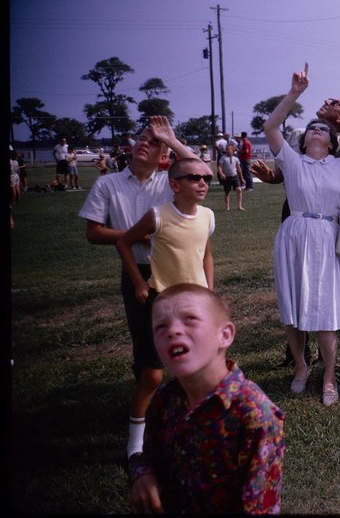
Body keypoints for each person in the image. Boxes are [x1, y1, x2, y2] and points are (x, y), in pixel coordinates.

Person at [78, 116, 196, 462]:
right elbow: (94, 232)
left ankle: (168, 407)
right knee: (148, 353)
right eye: (142, 137)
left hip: (173, 268)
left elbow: (197, 168)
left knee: (178, 345)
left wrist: (171, 140)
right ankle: (142, 428)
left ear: (163, 156)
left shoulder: (168, 182)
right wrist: (134, 236)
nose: (145, 142)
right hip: (136, 270)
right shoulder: (108, 184)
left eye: (153, 141)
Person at [128, 284, 285, 514]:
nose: (172, 331)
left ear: (225, 335)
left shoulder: (255, 415)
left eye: (189, 318)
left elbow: (259, 507)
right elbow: (149, 457)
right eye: (161, 326)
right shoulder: (164, 400)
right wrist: (143, 474)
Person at [263, 62, 340, 406]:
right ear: (305, 139)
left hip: (326, 237)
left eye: (324, 128)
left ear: (333, 138)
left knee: (324, 311)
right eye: (312, 128)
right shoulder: (292, 161)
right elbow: (270, 125)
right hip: (293, 235)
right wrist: (295, 93)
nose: (317, 130)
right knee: (292, 308)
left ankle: (330, 377)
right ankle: (301, 367)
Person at [115, 156, 215, 305]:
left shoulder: (207, 215)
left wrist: (209, 290)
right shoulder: (157, 215)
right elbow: (123, 243)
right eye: (194, 178)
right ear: (175, 186)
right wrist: (139, 283)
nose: (202, 183)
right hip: (165, 297)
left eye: (206, 178)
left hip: (198, 295)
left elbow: (206, 256)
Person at [217, 143, 245, 211]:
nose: (227, 151)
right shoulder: (223, 158)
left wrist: (241, 178)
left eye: (228, 149)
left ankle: (239, 206)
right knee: (227, 192)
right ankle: (227, 207)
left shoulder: (236, 159)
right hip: (227, 177)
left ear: (232, 150)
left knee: (239, 190)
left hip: (235, 176)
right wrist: (222, 174)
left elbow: (239, 169)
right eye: (226, 149)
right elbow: (219, 167)